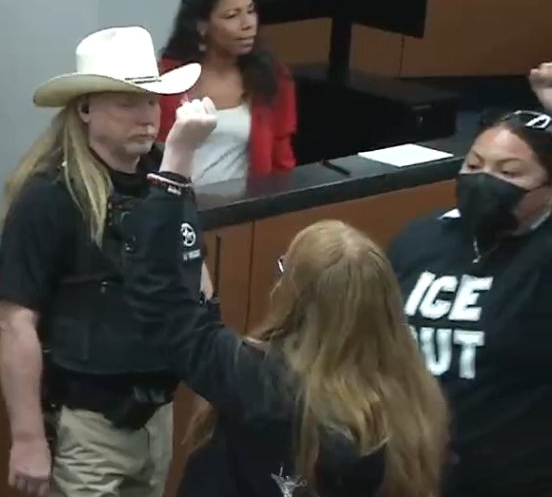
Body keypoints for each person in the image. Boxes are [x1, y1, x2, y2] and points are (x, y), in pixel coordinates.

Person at [123, 102, 449, 497]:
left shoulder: (261, 383)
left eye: (285, 270)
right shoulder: (411, 398)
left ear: (295, 296)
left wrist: (174, 167)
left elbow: (161, 301)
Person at [0, 25, 210, 497]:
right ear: (85, 109)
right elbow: (16, 325)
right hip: (88, 425)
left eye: (151, 102)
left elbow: (197, 285)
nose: (147, 117)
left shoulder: (166, 179)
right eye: (127, 103)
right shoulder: (49, 197)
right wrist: (28, 437)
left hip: (156, 415)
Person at [388, 109, 552, 497]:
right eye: (474, 164)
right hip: (412, 472)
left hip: (514, 477)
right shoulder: (421, 236)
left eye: (509, 173)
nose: (484, 180)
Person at [158, 0, 296, 186]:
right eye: (232, 15)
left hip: (244, 211)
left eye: (250, 11)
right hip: (179, 209)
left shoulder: (272, 78)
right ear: (201, 25)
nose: (247, 23)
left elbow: (282, 161)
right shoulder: (167, 80)